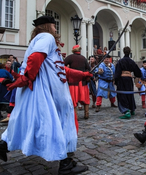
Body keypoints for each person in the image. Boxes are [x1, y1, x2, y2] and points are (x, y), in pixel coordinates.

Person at [0, 16, 93, 174]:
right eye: (54, 25)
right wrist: (27, 78)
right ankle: (66, 164)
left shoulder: (46, 43)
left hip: (43, 94)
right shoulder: (46, 37)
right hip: (44, 95)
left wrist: (82, 75)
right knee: (55, 126)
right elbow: (36, 59)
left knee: (25, 122)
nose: (56, 29)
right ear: (47, 26)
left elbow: (60, 71)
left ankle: (2, 146)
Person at [114, 46, 141, 119]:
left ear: (123, 52)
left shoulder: (120, 61)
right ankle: (132, 109)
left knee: (122, 95)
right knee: (130, 94)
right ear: (130, 52)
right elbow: (138, 72)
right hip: (129, 80)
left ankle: (126, 111)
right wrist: (136, 76)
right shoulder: (132, 62)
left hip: (121, 79)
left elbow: (117, 72)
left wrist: (116, 80)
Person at [64, 45, 90, 119]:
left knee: (74, 100)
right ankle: (86, 114)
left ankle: (75, 116)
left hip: (73, 82)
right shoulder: (83, 58)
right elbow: (88, 68)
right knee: (85, 99)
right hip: (83, 82)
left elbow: (62, 65)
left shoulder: (70, 57)